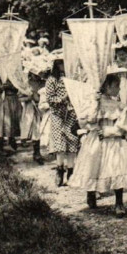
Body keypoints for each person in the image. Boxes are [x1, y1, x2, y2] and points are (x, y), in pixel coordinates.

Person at [71, 66, 127, 217]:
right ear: (106, 86)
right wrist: (95, 103)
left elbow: (124, 126)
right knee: (93, 165)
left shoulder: (119, 106)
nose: (119, 89)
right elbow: (86, 121)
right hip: (95, 140)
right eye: (116, 86)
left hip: (112, 141)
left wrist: (108, 131)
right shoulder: (93, 103)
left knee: (115, 168)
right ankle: (91, 193)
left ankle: (119, 202)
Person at [46, 56, 80, 186]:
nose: (63, 65)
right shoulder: (51, 80)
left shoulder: (71, 79)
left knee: (72, 142)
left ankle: (71, 171)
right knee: (59, 144)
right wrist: (63, 98)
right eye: (60, 63)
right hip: (58, 114)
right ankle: (59, 170)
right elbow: (50, 99)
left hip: (71, 114)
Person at [20, 71, 46, 164]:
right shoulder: (26, 83)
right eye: (34, 74)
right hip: (31, 110)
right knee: (36, 130)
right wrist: (29, 97)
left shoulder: (44, 83)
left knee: (43, 130)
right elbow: (20, 97)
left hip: (43, 109)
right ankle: (37, 153)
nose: (37, 76)